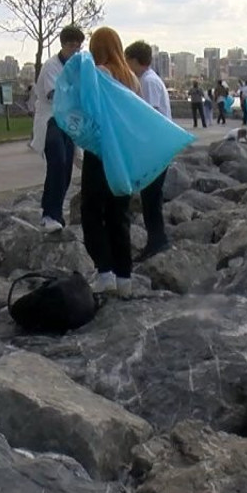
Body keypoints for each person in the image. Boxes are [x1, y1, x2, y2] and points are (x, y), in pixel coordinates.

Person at [83, 27, 140, 296]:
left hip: (102, 154)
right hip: (125, 157)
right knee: (120, 216)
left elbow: (89, 110)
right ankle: (125, 278)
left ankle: (104, 274)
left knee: (92, 214)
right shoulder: (132, 79)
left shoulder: (100, 74)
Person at [31, 25, 85, 233]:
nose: (75, 49)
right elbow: (56, 95)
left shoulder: (77, 66)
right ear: (63, 44)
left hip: (68, 123)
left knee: (67, 170)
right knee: (58, 163)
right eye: (71, 45)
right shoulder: (52, 66)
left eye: (78, 45)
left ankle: (57, 213)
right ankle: (48, 214)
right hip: (52, 120)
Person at [125, 40, 173, 261]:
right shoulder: (147, 80)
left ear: (135, 61)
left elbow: (150, 115)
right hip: (155, 149)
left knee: (151, 198)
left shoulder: (148, 82)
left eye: (127, 61)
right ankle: (156, 239)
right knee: (150, 197)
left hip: (156, 150)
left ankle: (157, 240)